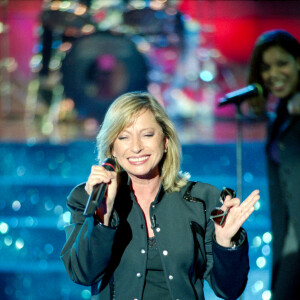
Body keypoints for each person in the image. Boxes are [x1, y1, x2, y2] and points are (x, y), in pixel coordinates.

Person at [60, 91, 260, 300]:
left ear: (165, 141)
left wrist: (225, 242)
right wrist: (103, 216)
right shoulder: (86, 198)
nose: (136, 147)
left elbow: (229, 290)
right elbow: (82, 274)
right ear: (112, 148)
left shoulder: (203, 199)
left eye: (147, 135)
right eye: (124, 137)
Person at [247, 29, 300, 300]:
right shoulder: (281, 116)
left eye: (282, 63)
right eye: (266, 67)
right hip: (289, 232)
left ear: (298, 63)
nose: (273, 74)